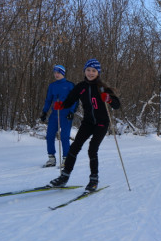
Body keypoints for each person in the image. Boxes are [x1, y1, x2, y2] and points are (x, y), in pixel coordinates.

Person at [48, 59, 120, 192]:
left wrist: (109, 99)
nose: (91, 73)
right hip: (87, 123)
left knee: (92, 149)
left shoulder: (103, 88)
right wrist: (61, 105)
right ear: (84, 71)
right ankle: (64, 177)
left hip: (101, 123)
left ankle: (93, 180)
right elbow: (70, 100)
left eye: (94, 71)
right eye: (88, 70)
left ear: (98, 73)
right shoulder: (80, 87)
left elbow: (117, 105)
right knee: (74, 147)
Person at [40, 65, 77, 168]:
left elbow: (74, 100)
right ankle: (51, 158)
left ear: (63, 73)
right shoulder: (52, 86)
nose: (56, 74)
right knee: (49, 136)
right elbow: (48, 100)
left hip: (65, 115)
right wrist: (44, 112)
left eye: (58, 73)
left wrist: (72, 111)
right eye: (55, 72)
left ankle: (66, 160)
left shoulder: (69, 85)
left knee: (64, 137)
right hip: (54, 115)